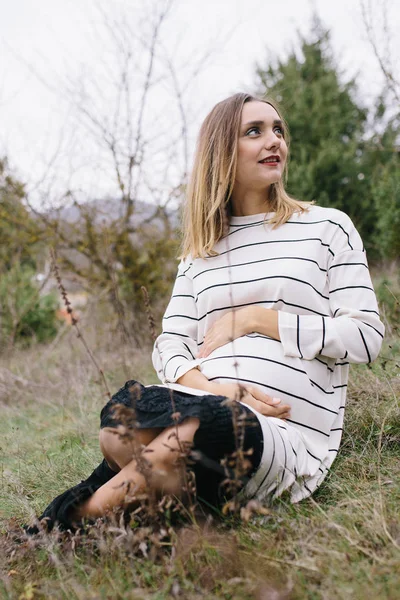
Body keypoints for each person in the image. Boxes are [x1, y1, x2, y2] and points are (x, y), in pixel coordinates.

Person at [26, 92, 384, 532]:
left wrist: (254, 319)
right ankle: (171, 501)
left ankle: (76, 522)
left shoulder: (326, 228)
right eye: (254, 132)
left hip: (281, 433)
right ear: (221, 152)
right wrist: (223, 390)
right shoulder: (200, 253)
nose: (274, 141)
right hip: (211, 402)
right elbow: (170, 346)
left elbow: (366, 337)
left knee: (204, 428)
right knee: (121, 417)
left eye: (278, 130)